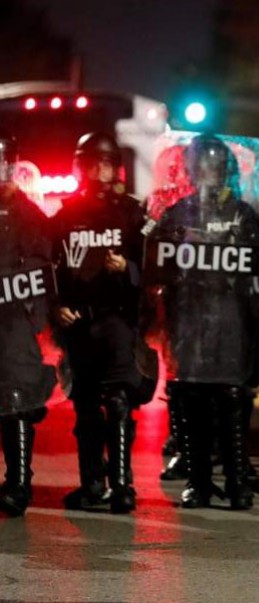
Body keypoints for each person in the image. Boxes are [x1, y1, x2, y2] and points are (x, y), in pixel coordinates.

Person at [145, 133, 259, 510]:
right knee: (193, 401)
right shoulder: (178, 214)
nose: (209, 175)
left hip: (230, 322)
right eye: (202, 168)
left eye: (215, 168)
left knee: (231, 401)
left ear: (226, 171)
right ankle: (199, 482)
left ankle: (236, 481)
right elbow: (156, 268)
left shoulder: (243, 215)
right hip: (190, 322)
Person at [51, 132, 150, 513]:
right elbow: (50, 270)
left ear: (117, 168)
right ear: (81, 167)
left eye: (106, 164)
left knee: (119, 400)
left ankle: (122, 486)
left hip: (117, 319)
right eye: (92, 164)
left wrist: (128, 268)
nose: (99, 172)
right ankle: (92, 483)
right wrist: (57, 306)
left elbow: (156, 266)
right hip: (79, 323)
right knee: (85, 404)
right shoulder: (65, 216)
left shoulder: (131, 214)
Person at [0, 131, 56, 516]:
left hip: (13, 319)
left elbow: (42, 263)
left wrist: (36, 317)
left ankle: (19, 484)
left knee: (16, 397)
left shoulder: (24, 212)